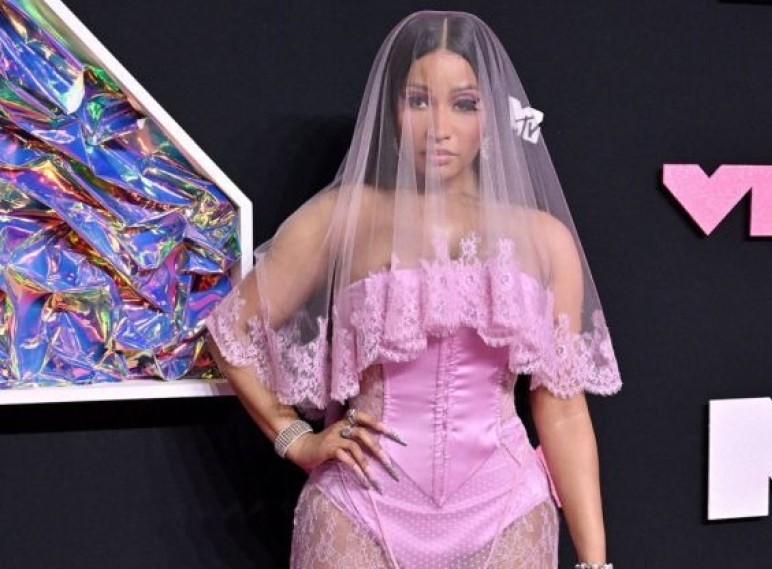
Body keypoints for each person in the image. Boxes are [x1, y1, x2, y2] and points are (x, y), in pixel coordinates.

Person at [206, 11, 621, 568]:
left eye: (464, 103)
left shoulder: (545, 242)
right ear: (392, 110)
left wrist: (595, 563)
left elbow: (563, 411)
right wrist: (295, 439)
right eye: (419, 100)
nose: (439, 126)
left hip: (505, 514)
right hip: (357, 513)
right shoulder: (343, 218)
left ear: (492, 115)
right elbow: (230, 331)